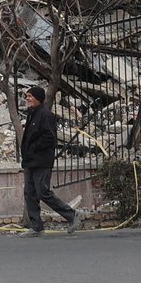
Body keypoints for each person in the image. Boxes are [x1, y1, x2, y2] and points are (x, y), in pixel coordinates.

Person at [19, 85, 82, 236]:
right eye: (26, 96)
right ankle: (37, 227)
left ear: (38, 98)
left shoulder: (45, 115)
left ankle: (72, 215)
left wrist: (33, 148)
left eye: (30, 96)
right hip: (30, 161)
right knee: (30, 193)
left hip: (41, 161)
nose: (27, 98)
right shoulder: (31, 113)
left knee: (43, 192)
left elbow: (49, 138)